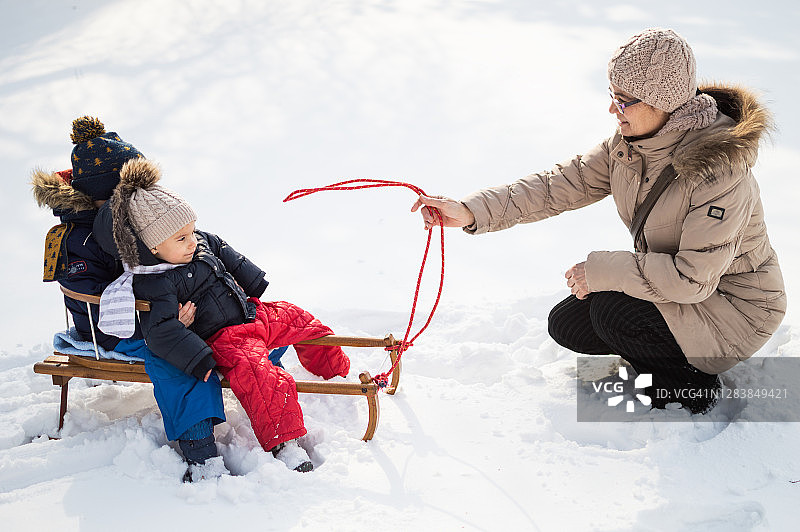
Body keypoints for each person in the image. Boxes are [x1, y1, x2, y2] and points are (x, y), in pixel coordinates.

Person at [411, 28, 786, 414]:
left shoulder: (719, 174)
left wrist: (604, 269)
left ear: (663, 103)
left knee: (611, 314)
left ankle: (690, 388)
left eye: (624, 101)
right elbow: (558, 185)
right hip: (684, 289)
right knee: (569, 323)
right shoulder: (630, 145)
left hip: (734, 307)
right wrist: (472, 210)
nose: (612, 110)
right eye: (612, 97)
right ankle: (657, 362)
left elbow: (692, 279)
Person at [100, 156, 351, 473]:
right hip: (227, 338)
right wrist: (197, 355)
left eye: (192, 230)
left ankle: (336, 370)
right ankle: (284, 444)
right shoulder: (157, 281)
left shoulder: (200, 241)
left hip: (251, 313)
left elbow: (225, 252)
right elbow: (160, 331)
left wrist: (252, 280)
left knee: (302, 319)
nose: (193, 240)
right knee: (262, 376)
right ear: (152, 246)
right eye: (181, 238)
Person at [33, 117, 227, 482]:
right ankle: (201, 453)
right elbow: (92, 296)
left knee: (234, 322)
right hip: (118, 326)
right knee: (177, 358)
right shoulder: (82, 238)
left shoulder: (132, 214)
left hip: (165, 308)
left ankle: (268, 392)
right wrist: (162, 317)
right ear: (104, 194)